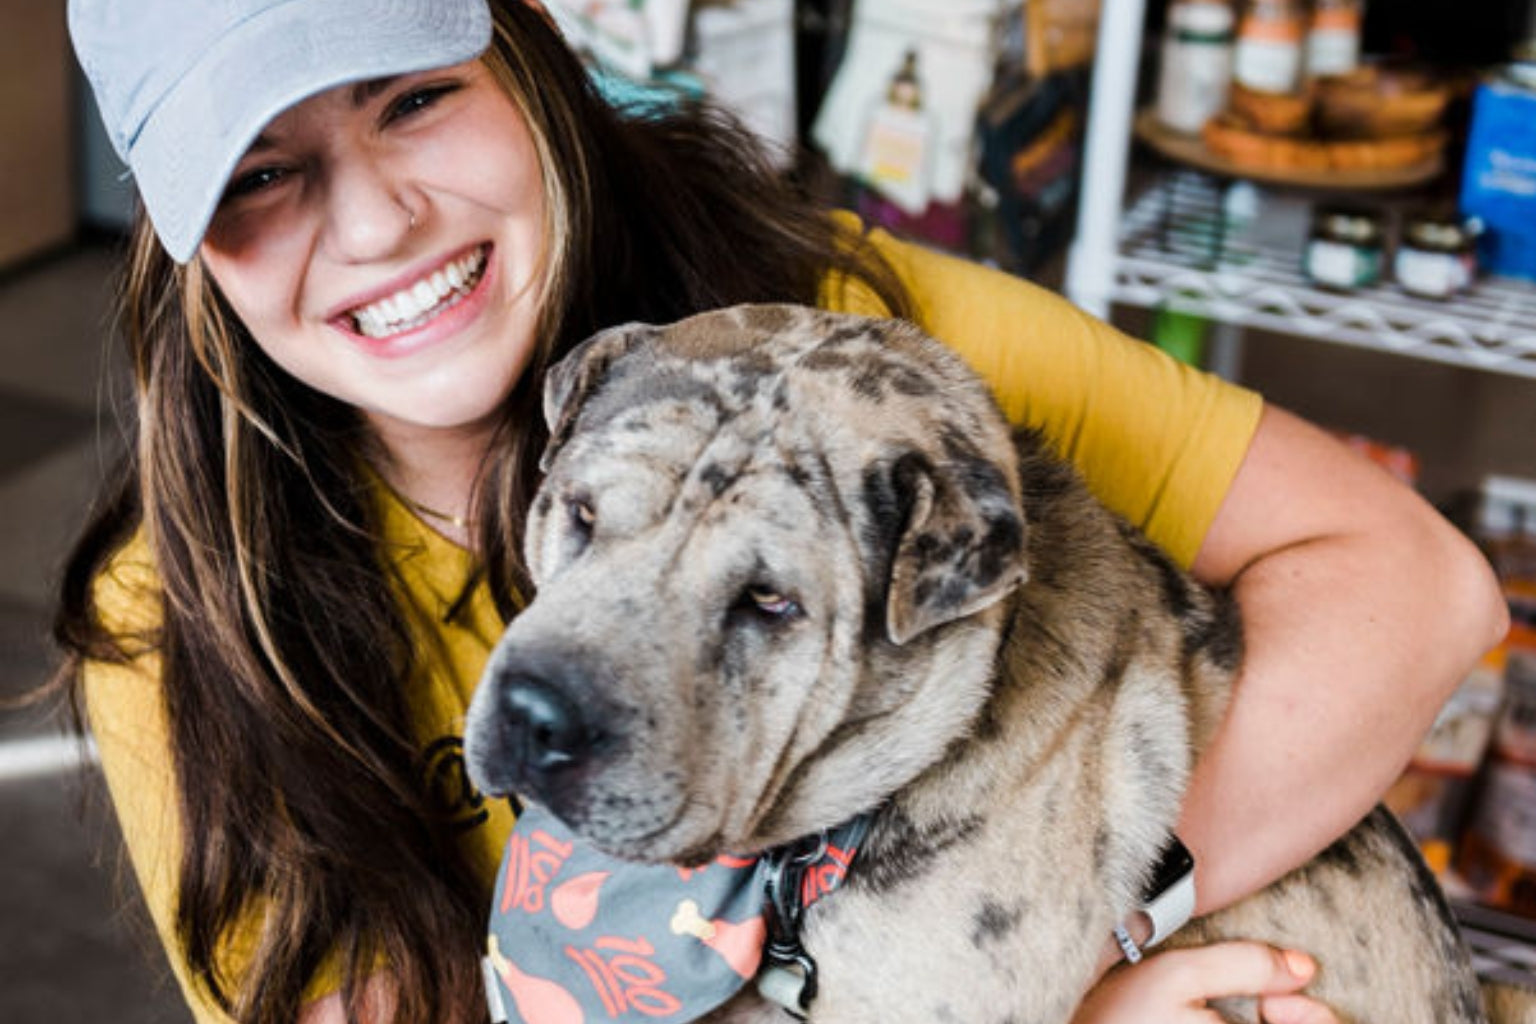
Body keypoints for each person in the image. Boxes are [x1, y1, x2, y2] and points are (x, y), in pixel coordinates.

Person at [55, 1, 1506, 1022]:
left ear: (532, 63)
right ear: (188, 259)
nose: (378, 224)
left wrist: (1084, 928)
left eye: (416, 98)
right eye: (262, 178)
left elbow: (1421, 587)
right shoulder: (185, 615)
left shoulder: (868, 352)